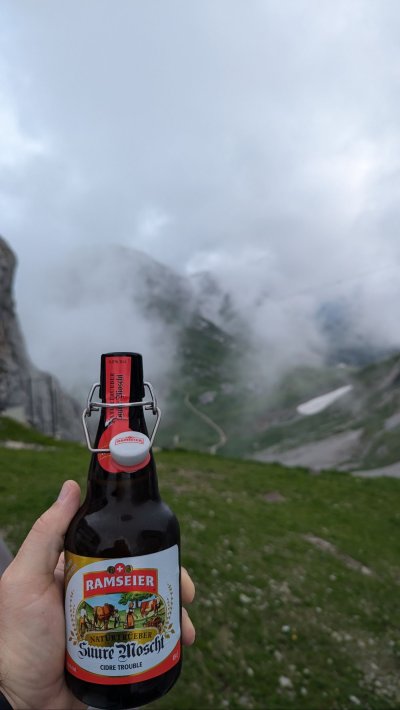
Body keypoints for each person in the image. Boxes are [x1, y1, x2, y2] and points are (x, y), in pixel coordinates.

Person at [0, 480, 196, 710]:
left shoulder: (158, 521)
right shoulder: (89, 527)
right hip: (60, 685)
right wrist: (13, 694)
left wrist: (14, 698)